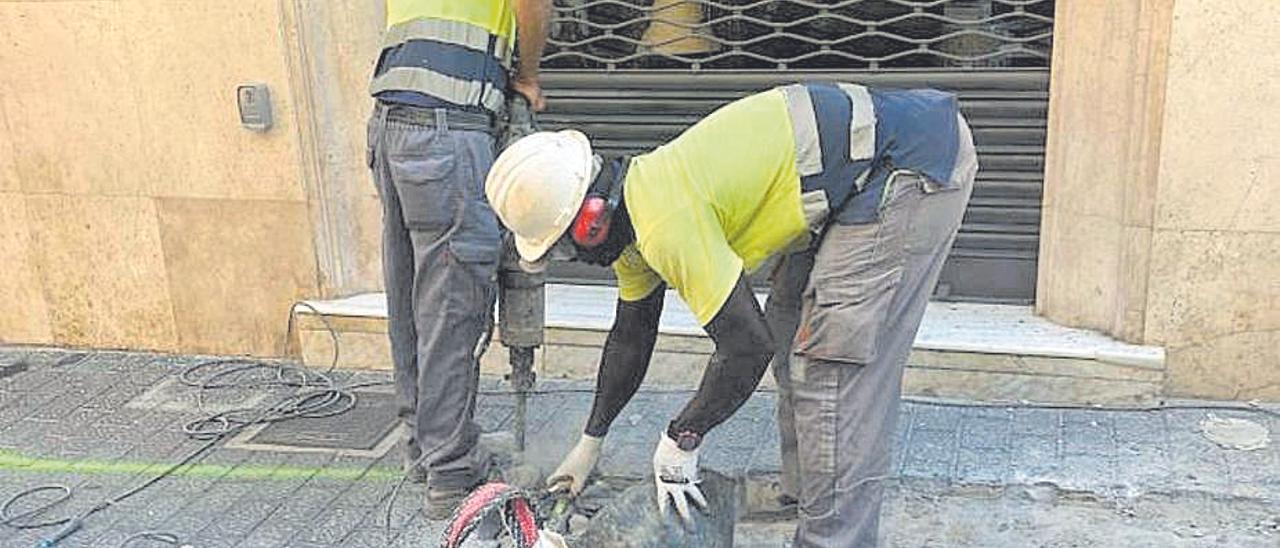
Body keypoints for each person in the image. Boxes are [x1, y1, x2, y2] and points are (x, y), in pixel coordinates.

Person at [485, 80, 978, 546]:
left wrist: (682, 437)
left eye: (563, 249)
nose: (576, 261)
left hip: (905, 165)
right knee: (791, 330)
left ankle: (832, 537)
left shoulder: (664, 222)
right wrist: (590, 441)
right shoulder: (635, 223)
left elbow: (746, 347)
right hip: (849, 180)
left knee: (833, 369)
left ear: (590, 222)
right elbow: (630, 339)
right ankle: (805, 496)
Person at [366, 0, 550, 518]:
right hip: (448, 127)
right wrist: (528, 76)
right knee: (452, 299)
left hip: (390, 122)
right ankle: (451, 471)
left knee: (411, 293)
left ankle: (425, 447)